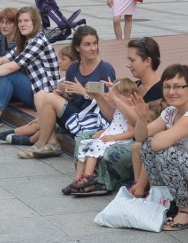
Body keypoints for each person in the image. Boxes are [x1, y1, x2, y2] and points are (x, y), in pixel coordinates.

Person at [71, 37, 164, 195]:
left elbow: (142, 123)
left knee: (110, 152)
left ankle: (101, 182)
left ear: (147, 61)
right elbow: (114, 118)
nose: (128, 64)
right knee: (83, 136)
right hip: (122, 133)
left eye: (132, 60)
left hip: (136, 140)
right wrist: (99, 98)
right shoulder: (136, 86)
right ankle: (84, 179)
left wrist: (115, 99)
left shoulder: (160, 91)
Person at [130, 64, 188, 230]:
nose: (171, 92)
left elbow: (158, 144)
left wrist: (162, 138)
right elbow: (141, 137)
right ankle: (165, 200)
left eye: (178, 87)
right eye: (167, 87)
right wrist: (141, 118)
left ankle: (186, 211)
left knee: (167, 153)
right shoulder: (171, 111)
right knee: (147, 146)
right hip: (187, 169)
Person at [17, 25, 115, 159]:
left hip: (95, 120)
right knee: (41, 95)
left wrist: (84, 93)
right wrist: (63, 95)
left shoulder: (105, 69)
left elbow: (110, 105)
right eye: (87, 44)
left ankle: (41, 143)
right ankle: (52, 142)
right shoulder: (73, 68)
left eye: (94, 44)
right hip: (77, 116)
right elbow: (73, 100)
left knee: (50, 98)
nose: (93, 48)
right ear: (77, 48)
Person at [0, 6, 61, 130]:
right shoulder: (26, 40)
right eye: (20, 21)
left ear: (35, 22)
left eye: (26, 21)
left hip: (43, 95)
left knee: (8, 74)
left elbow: (12, 66)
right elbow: (5, 58)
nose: (22, 24)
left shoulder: (39, 41)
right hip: (32, 89)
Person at [65, 78, 138, 195]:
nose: (115, 98)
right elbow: (114, 122)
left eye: (118, 95)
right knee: (85, 145)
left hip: (119, 139)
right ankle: (77, 179)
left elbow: (131, 131)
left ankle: (88, 177)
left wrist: (113, 137)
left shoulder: (130, 110)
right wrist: (104, 131)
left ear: (129, 96)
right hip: (110, 135)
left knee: (94, 147)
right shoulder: (119, 109)